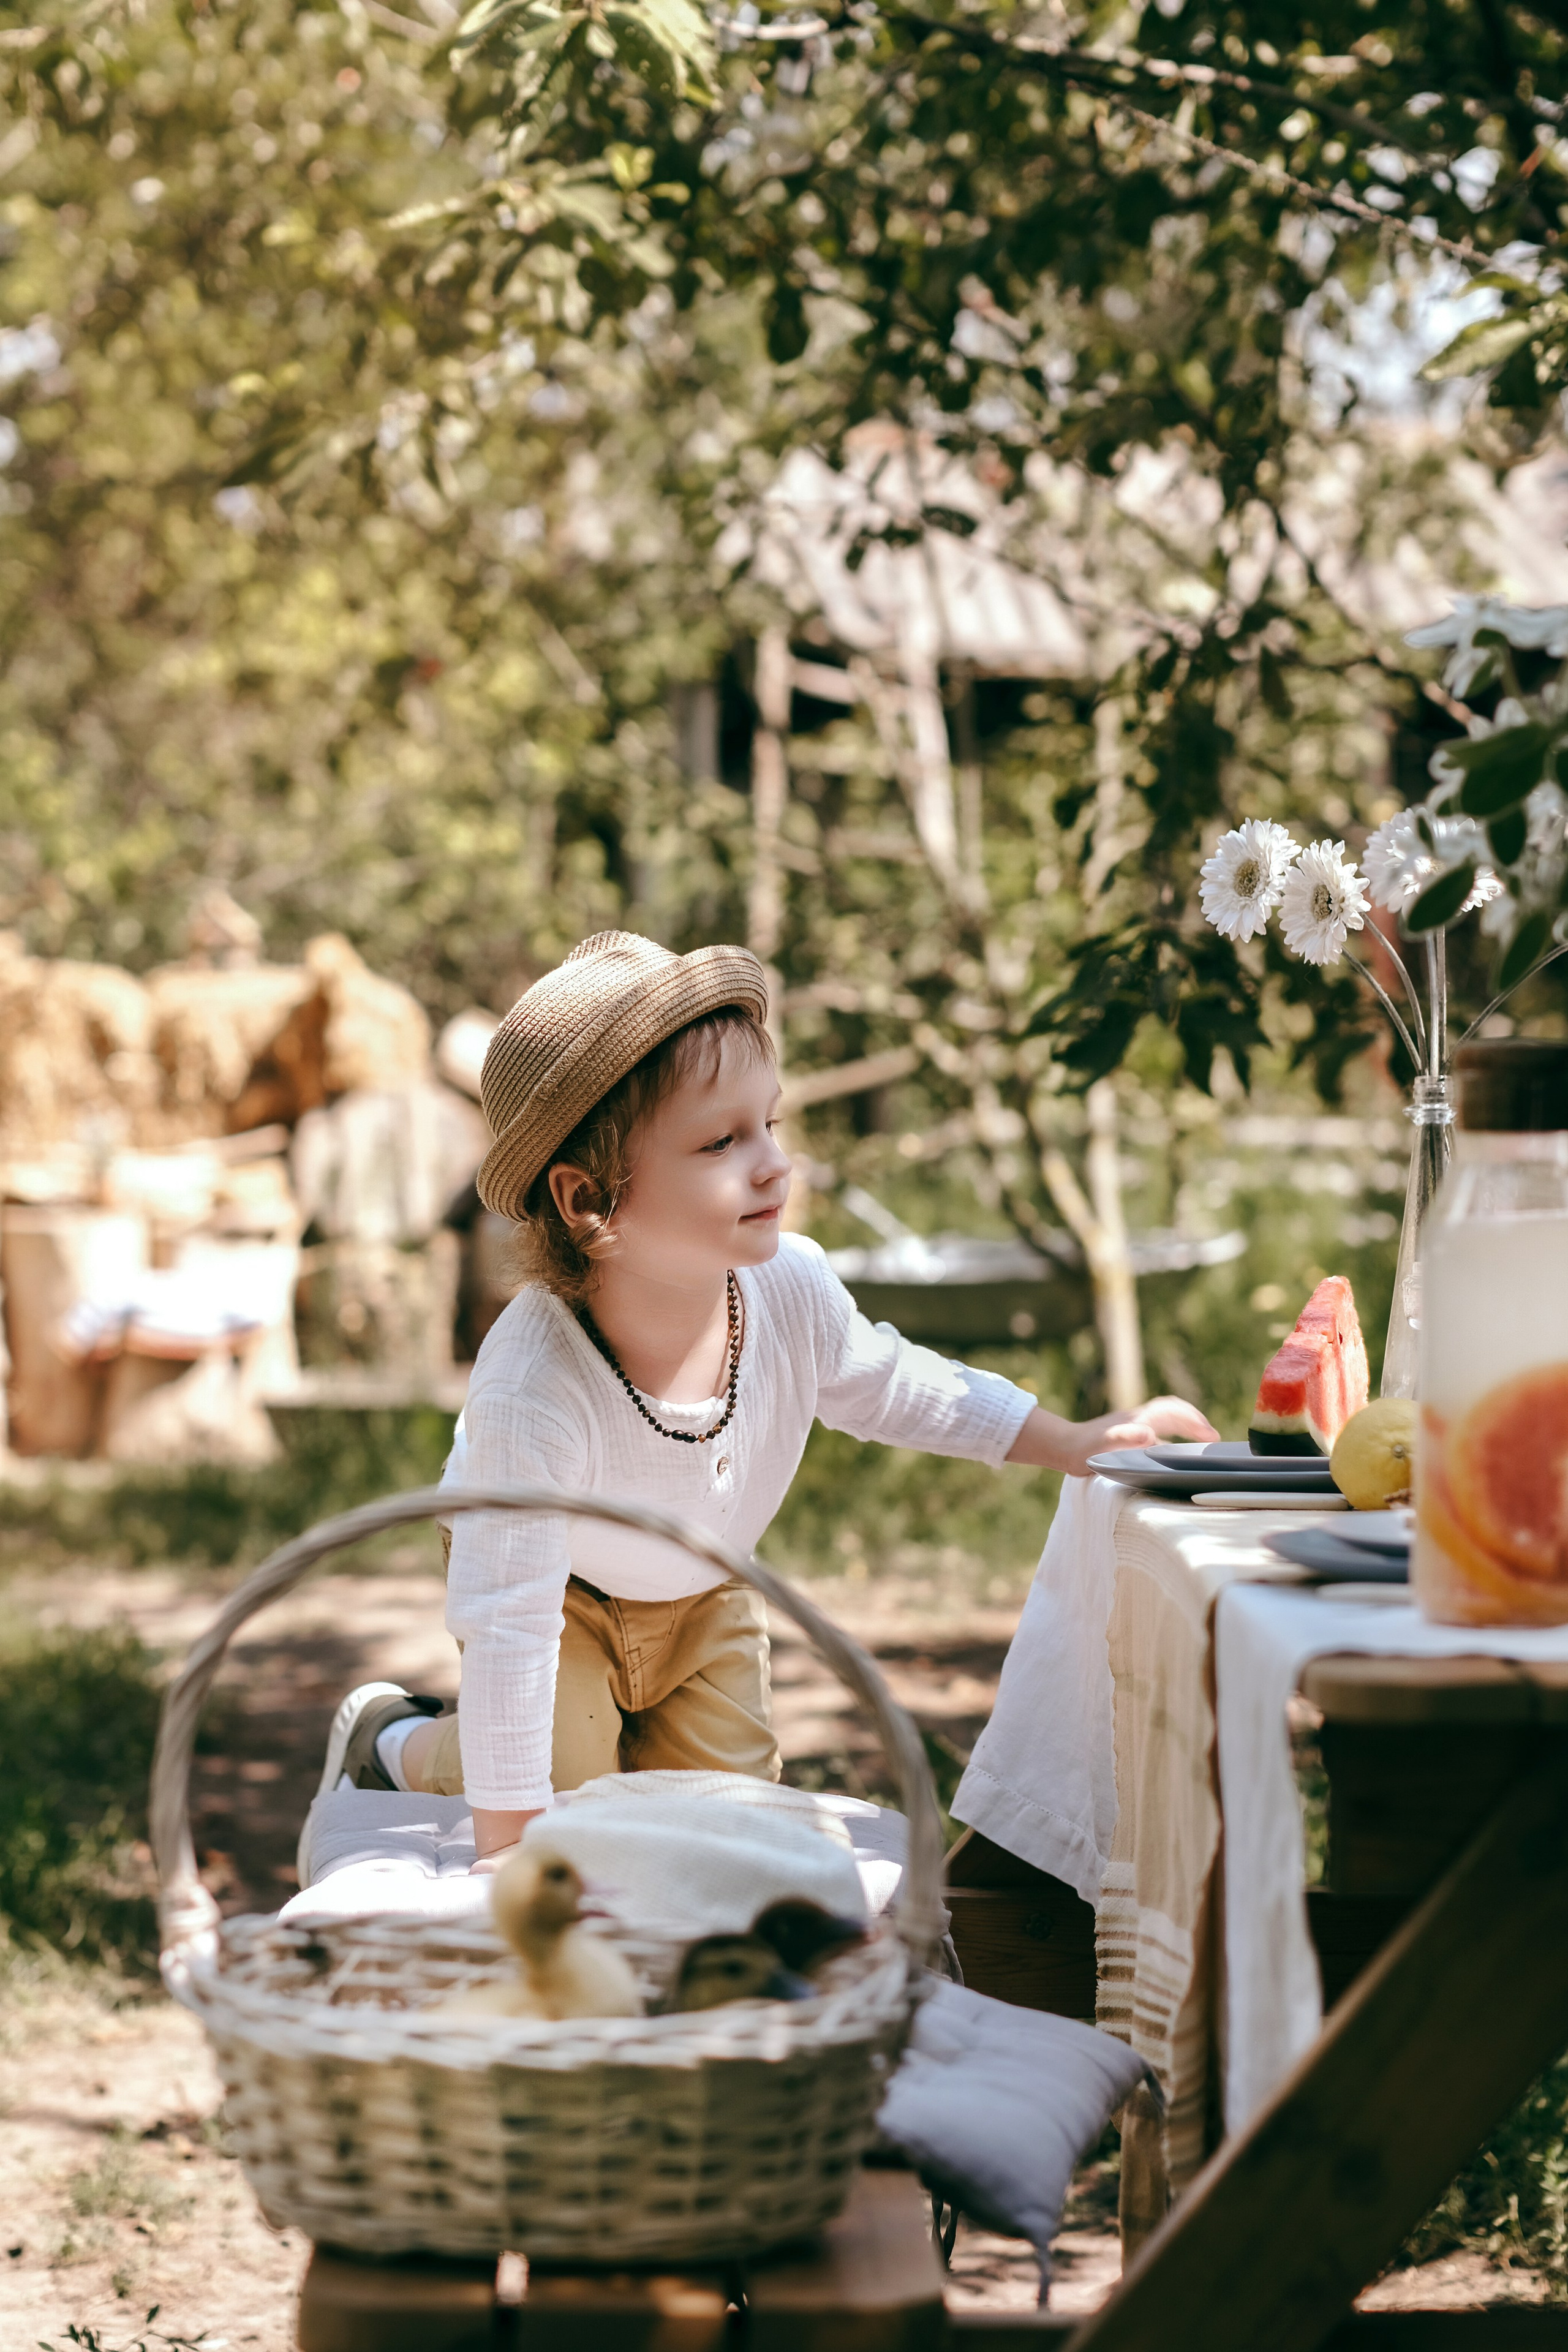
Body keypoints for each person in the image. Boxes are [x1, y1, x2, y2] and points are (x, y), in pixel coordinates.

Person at [313, 931, 1215, 1875]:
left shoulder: (790, 1291)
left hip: (703, 1585)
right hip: (556, 1593)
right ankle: (395, 1742)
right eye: (720, 1141)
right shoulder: (534, 1388)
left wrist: (1068, 1440)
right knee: (564, 1793)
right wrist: (511, 1862)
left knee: (728, 1824)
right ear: (590, 1202)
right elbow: (510, 1631)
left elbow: (899, 1384)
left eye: (769, 1125)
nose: (772, 1165)